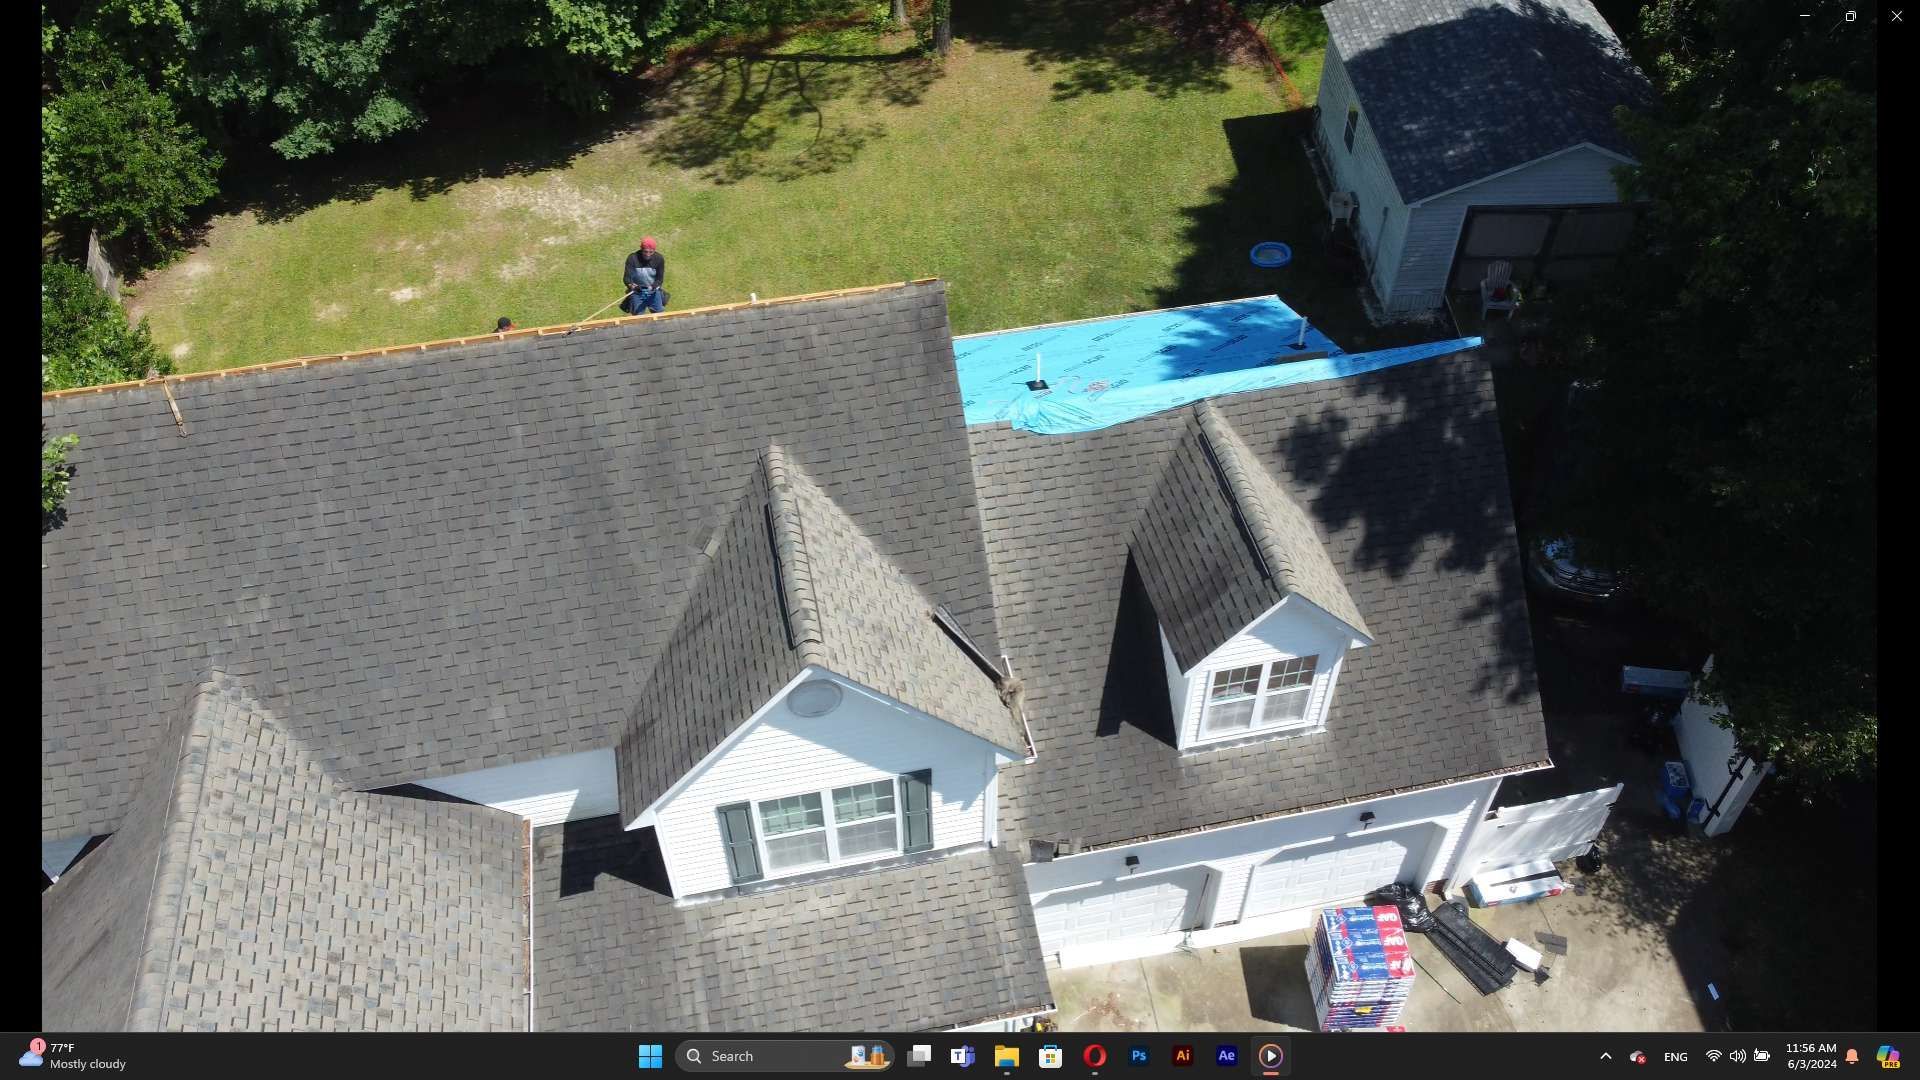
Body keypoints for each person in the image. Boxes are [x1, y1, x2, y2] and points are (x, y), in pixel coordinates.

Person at [622, 236, 667, 313]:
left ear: (654, 250)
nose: (648, 254)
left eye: (651, 252)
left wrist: (652, 287)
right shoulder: (632, 258)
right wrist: (633, 286)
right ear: (641, 249)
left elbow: (660, 279)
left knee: (659, 315)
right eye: (645, 251)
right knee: (638, 318)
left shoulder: (659, 259)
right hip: (637, 293)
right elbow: (627, 279)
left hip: (653, 292)